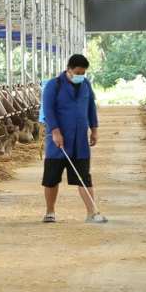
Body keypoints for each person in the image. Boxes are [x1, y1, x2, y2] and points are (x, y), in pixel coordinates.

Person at [41, 54, 107, 224]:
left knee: (84, 177)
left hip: (80, 141)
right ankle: (50, 212)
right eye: (78, 72)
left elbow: (91, 107)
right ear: (68, 69)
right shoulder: (53, 85)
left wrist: (94, 130)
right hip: (58, 141)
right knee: (51, 178)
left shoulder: (85, 84)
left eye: (83, 72)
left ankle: (92, 213)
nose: (80, 75)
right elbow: (48, 111)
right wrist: (55, 131)